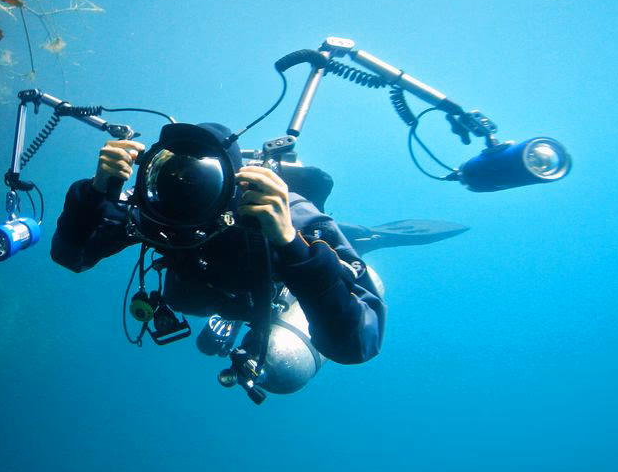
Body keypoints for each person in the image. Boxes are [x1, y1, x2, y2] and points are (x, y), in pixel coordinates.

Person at [50, 123, 386, 367]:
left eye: (201, 178)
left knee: (285, 372)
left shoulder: (276, 216)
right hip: (211, 294)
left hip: (276, 294)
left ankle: (354, 240)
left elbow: (357, 344)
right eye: (170, 171)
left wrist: (291, 245)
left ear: (233, 189)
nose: (183, 187)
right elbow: (72, 256)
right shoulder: (155, 209)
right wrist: (93, 194)